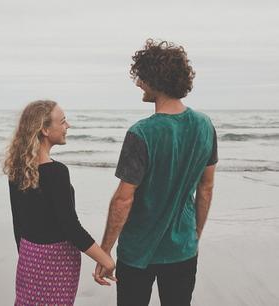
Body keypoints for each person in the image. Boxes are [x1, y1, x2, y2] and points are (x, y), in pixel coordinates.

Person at [93, 39, 218, 306]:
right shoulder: (205, 126)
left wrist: (105, 251)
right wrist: (193, 235)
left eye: (141, 78)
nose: (138, 83)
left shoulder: (142, 133)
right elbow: (206, 187)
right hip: (183, 248)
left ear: (155, 80)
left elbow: (123, 199)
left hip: (139, 251)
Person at [3, 100, 116, 306]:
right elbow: (71, 227)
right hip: (56, 262)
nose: (68, 126)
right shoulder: (56, 172)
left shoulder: (17, 170)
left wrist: (28, 259)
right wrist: (105, 259)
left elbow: (17, 223)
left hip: (29, 258)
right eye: (62, 122)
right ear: (45, 129)